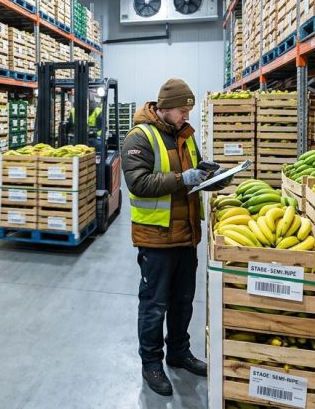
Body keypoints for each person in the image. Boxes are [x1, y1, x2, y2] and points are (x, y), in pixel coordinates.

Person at [120, 78, 229, 396]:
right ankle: (151, 364)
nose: (186, 116)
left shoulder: (186, 135)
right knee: (154, 305)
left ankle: (179, 353)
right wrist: (183, 177)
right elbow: (139, 183)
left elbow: (193, 176)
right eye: (182, 110)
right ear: (165, 108)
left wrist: (212, 178)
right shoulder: (139, 137)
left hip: (186, 234)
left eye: (188, 111)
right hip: (156, 238)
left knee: (183, 301)